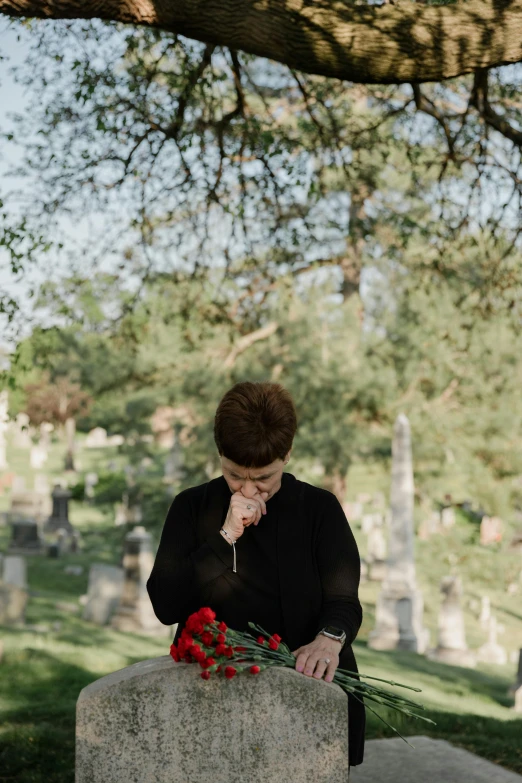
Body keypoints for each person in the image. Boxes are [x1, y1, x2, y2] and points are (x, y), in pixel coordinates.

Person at [146, 380, 365, 768]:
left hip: (307, 696)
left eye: (262, 477)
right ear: (219, 455)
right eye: (234, 474)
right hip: (213, 697)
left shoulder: (320, 509)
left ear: (287, 455)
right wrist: (225, 537)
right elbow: (165, 604)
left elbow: (343, 601)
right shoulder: (191, 507)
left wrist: (329, 641)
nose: (248, 489)